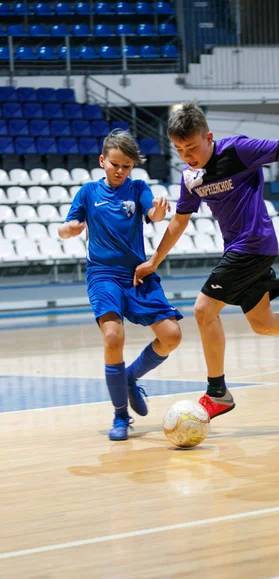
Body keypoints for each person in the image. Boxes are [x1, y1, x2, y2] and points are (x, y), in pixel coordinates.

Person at [133, 103, 279, 421]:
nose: (187, 155)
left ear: (209, 137)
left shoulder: (238, 150)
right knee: (263, 323)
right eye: (179, 150)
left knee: (203, 310)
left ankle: (218, 393)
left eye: (192, 147)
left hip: (254, 245)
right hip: (241, 249)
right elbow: (179, 222)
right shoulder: (191, 178)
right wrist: (154, 260)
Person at [59, 129, 183, 440]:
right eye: (115, 164)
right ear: (103, 161)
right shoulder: (88, 193)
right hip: (102, 275)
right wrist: (68, 231)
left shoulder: (138, 188)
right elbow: (68, 225)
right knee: (113, 337)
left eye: (126, 166)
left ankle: (130, 377)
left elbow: (153, 213)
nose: (120, 170)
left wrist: (159, 209)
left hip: (138, 274)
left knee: (171, 336)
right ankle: (120, 416)